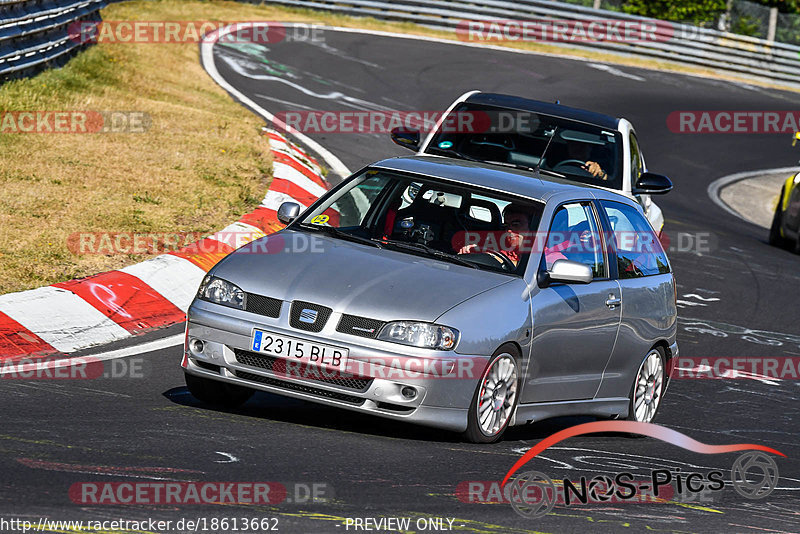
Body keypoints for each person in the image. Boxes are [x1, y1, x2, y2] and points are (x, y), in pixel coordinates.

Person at [457, 205, 530, 267]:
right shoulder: (502, 244)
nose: (508, 230)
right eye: (506, 225)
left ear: (532, 227)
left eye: (516, 225)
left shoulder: (538, 254)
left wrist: (496, 259)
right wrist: (471, 251)